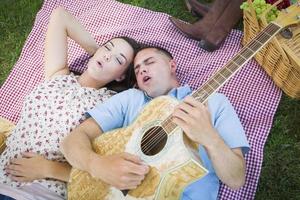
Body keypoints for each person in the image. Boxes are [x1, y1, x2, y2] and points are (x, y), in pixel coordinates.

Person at [61, 46, 250, 199]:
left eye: (149, 62)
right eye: (137, 69)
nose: (142, 69)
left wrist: (210, 138)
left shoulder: (213, 102)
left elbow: (236, 179)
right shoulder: (130, 99)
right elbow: (72, 141)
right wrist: (98, 166)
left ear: (172, 66)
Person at [0, 7, 140, 200]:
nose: (108, 55)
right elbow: (60, 16)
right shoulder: (58, 75)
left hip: (38, 192)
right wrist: (98, 53)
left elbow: (102, 172)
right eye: (108, 48)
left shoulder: (110, 104)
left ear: (121, 76)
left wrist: (49, 169)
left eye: (118, 59)